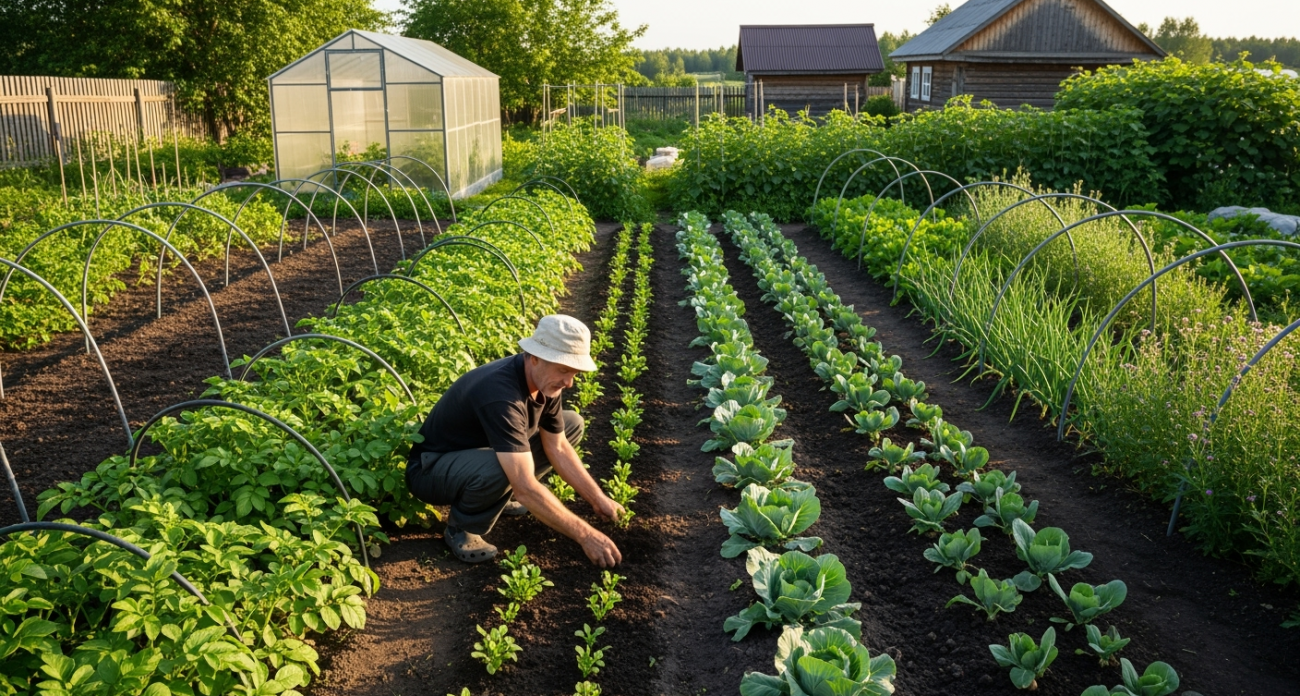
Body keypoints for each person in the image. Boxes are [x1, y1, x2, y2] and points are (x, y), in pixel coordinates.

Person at [405, 314, 624, 567]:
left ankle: (497, 494)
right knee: (507, 469)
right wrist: (586, 535)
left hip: (477, 454)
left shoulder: (545, 381)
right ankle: (461, 527)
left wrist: (598, 499)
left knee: (572, 424)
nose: (569, 382)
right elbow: (525, 485)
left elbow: (559, 447)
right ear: (535, 358)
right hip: (430, 470)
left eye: (574, 372)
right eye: (564, 370)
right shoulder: (501, 394)